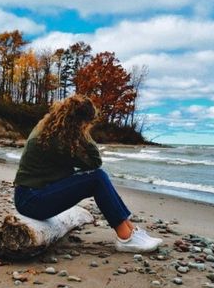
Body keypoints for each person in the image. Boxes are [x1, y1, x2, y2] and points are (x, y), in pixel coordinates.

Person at [14, 95, 162, 253]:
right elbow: (94, 162)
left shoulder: (50, 129)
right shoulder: (54, 141)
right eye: (87, 124)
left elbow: (91, 165)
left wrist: (79, 132)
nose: (88, 127)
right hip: (31, 201)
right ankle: (125, 237)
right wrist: (83, 134)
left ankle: (131, 230)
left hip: (33, 195)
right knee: (97, 178)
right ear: (79, 122)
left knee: (98, 176)